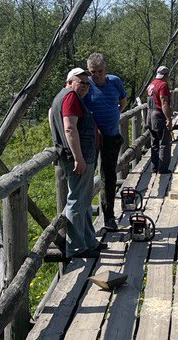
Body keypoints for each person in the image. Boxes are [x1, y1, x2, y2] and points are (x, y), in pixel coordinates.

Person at [48, 68, 100, 260]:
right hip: (79, 158)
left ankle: (89, 241)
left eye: (87, 84)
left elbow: (51, 115)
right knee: (77, 203)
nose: (85, 87)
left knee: (83, 201)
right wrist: (78, 157)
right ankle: (77, 248)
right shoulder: (70, 97)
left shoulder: (61, 97)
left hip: (80, 156)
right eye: (81, 82)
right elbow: (69, 128)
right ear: (70, 82)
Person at [84, 52, 127, 231]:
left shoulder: (115, 81)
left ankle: (108, 216)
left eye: (100, 71)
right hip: (92, 138)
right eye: (93, 71)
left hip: (111, 135)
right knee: (86, 177)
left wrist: (114, 114)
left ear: (105, 69)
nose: (97, 75)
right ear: (89, 70)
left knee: (108, 176)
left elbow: (123, 102)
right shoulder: (85, 85)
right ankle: (84, 221)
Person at [146, 64, 173, 174]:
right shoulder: (163, 85)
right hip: (158, 115)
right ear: (166, 75)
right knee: (164, 142)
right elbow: (164, 102)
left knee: (154, 142)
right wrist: (168, 119)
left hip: (149, 115)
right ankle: (163, 169)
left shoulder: (151, 85)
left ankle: (154, 167)